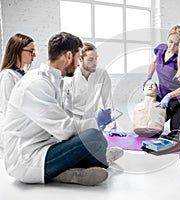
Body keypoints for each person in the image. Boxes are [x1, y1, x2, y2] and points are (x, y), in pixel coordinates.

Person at [3, 32, 121, 186]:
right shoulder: (36, 83)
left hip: (47, 145)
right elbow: (64, 130)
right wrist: (96, 122)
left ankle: (69, 171)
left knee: (92, 138)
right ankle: (99, 159)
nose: (79, 64)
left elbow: (62, 124)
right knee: (93, 136)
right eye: (78, 58)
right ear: (68, 56)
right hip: (27, 158)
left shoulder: (54, 81)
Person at [143, 25, 180, 131]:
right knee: (150, 126)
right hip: (161, 96)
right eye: (170, 42)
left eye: (176, 44)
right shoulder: (161, 49)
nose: (171, 46)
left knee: (176, 135)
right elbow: (154, 63)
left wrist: (170, 95)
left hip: (179, 101)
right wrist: (148, 77)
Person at [0, 33, 36, 158]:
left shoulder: (23, 75)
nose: (34, 55)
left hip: (27, 132)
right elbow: (8, 110)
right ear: (18, 51)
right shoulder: (7, 75)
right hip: (17, 136)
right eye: (31, 51)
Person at [63, 42, 115, 127]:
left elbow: (108, 103)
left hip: (92, 123)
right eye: (91, 59)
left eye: (96, 59)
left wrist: (112, 128)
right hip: (73, 125)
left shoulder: (102, 75)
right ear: (80, 59)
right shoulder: (69, 77)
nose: (95, 63)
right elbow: (62, 107)